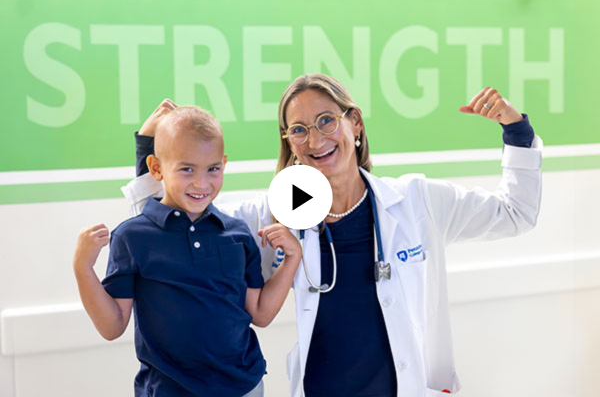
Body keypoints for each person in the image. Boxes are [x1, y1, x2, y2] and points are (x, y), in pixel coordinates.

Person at [123, 74, 542, 397]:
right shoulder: (273, 214)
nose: (316, 138)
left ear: (354, 123)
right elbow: (166, 231)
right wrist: (149, 151)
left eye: (326, 120)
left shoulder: (415, 201)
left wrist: (516, 131)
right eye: (299, 129)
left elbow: (516, 213)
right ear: (289, 143)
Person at [73, 106, 302, 397]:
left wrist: (291, 259)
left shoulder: (238, 233)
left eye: (213, 169)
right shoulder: (132, 237)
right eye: (187, 169)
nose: (201, 183)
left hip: (244, 387)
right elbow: (112, 326)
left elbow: (259, 313)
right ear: (156, 168)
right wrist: (83, 268)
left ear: (224, 164)